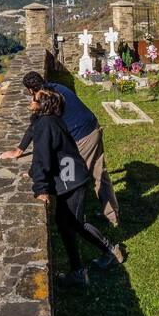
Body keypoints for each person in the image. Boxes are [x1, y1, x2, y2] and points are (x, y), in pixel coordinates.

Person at [26, 88, 125, 287]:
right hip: (69, 176)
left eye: (34, 99)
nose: (30, 102)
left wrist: (40, 188)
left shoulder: (46, 124)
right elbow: (54, 153)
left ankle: (111, 251)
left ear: (41, 106)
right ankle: (78, 271)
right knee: (64, 224)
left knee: (76, 223)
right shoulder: (52, 120)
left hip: (72, 179)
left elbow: (42, 158)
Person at [0, 72, 120, 226]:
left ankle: (76, 221)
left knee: (73, 179)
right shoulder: (56, 88)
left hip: (82, 136)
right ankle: (111, 216)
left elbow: (37, 132)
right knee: (99, 173)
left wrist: (19, 152)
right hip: (93, 127)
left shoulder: (45, 98)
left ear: (30, 90)